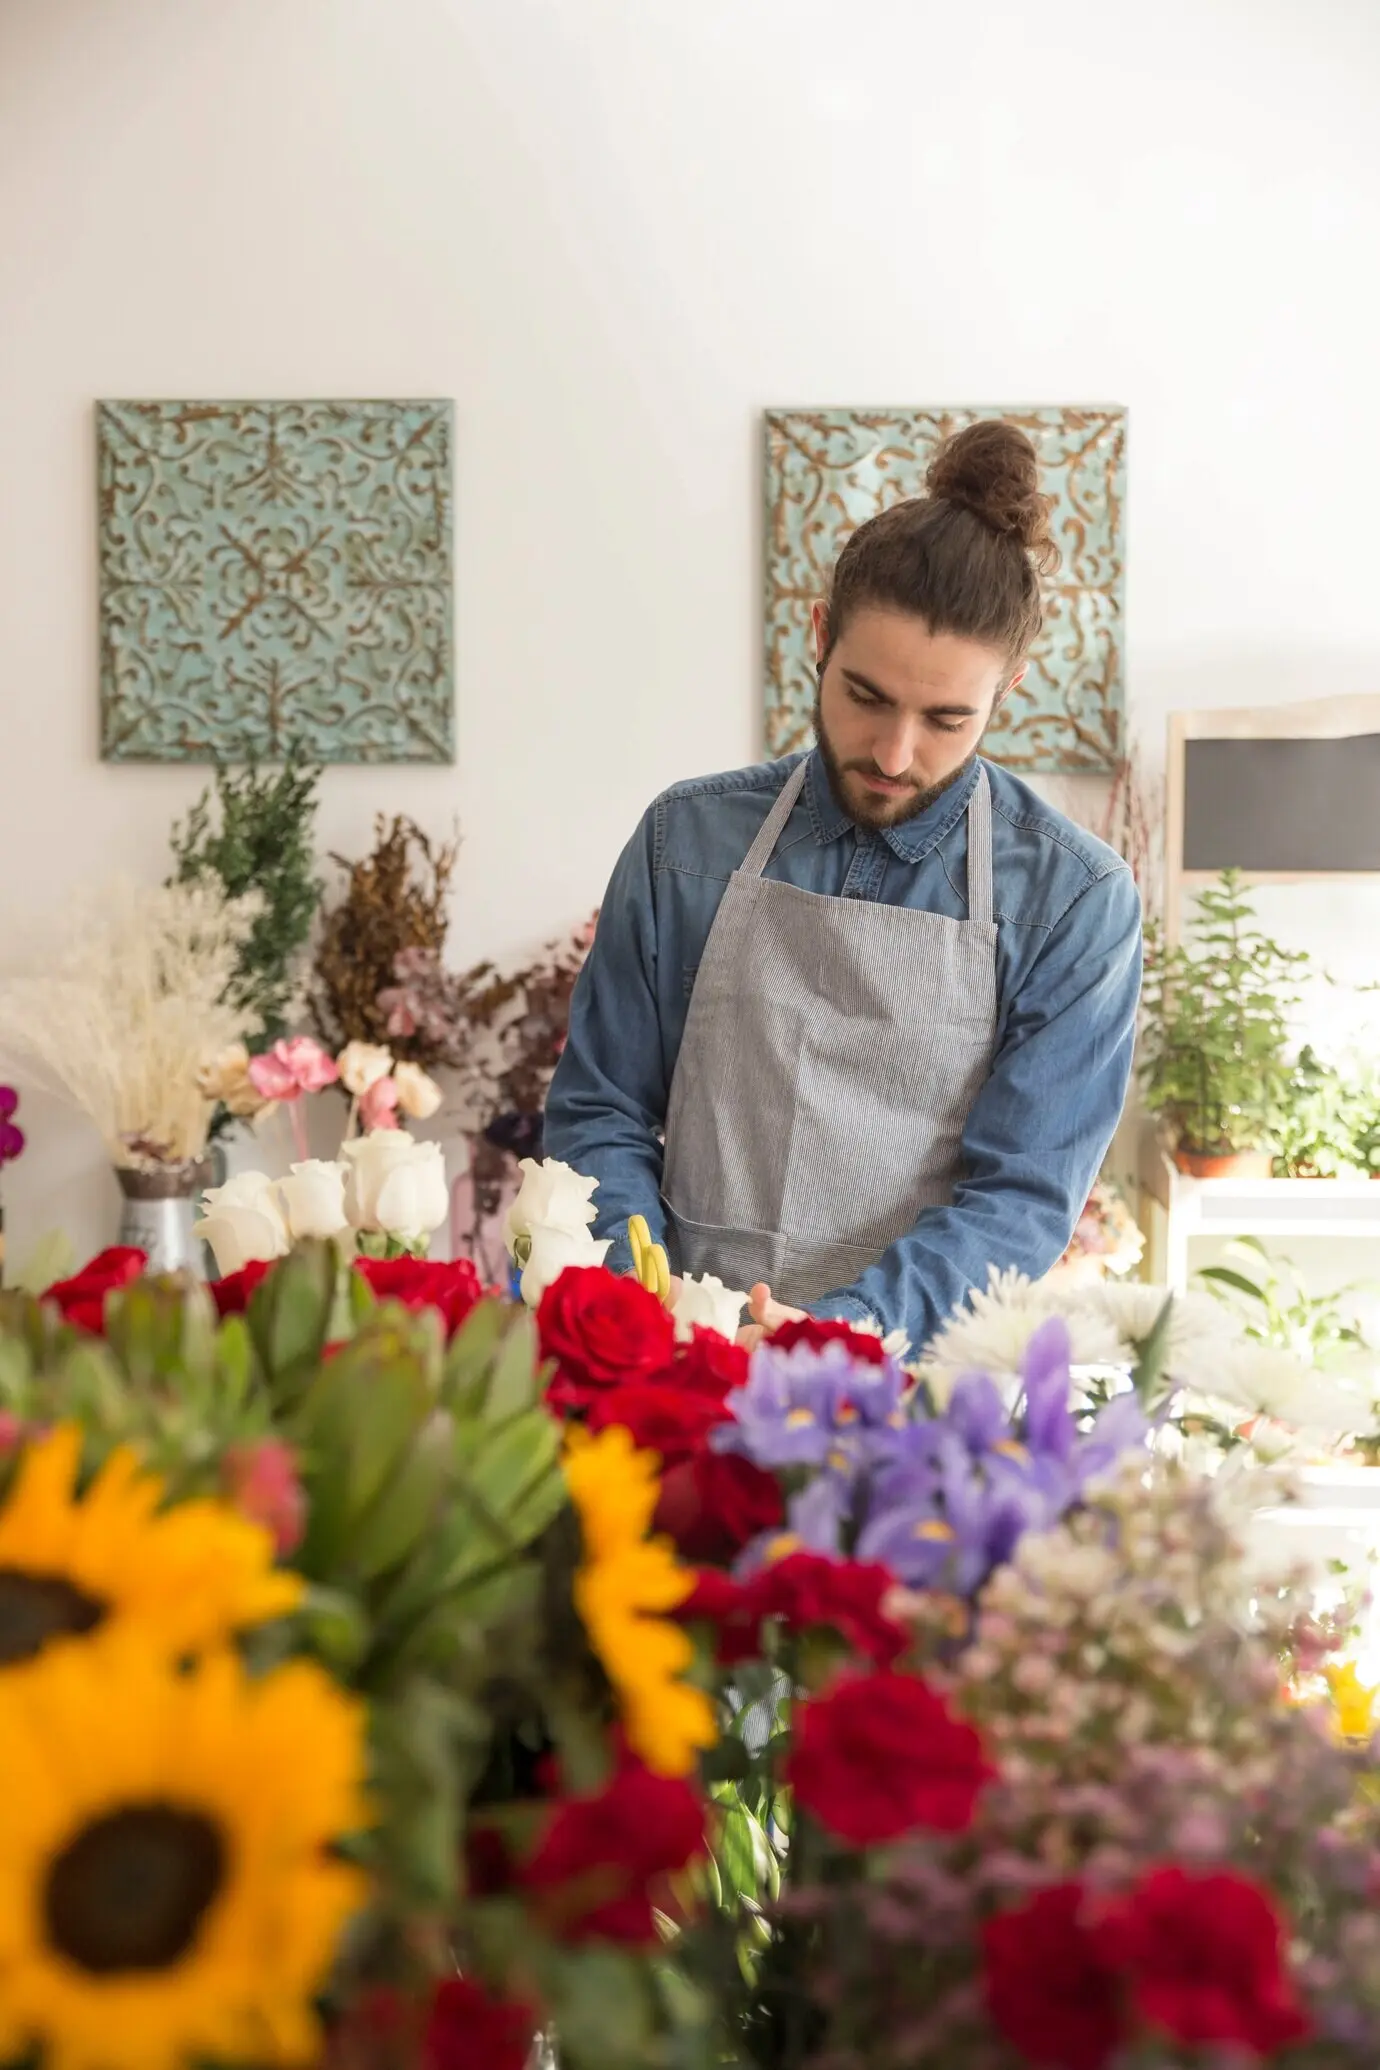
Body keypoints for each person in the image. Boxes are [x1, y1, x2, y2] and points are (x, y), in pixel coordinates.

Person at [544, 420, 1142, 1351]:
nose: (895, 755)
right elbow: (600, 1111)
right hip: (681, 1359)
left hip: (909, 1382)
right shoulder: (684, 843)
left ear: (1008, 691)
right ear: (820, 637)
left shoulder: (1075, 901)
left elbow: (1020, 1198)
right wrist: (646, 1305)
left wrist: (843, 1335)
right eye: (867, 697)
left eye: (946, 719)